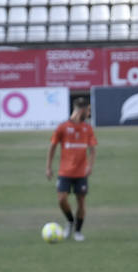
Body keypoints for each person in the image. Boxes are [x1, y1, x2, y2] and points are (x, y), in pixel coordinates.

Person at [45, 95, 97, 241]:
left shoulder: (87, 128)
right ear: (81, 110)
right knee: (62, 199)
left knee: (81, 202)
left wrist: (90, 166)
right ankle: (70, 221)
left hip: (81, 173)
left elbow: (93, 149)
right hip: (65, 172)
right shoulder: (63, 127)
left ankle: (78, 231)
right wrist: (48, 167)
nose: (89, 114)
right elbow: (52, 146)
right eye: (88, 111)